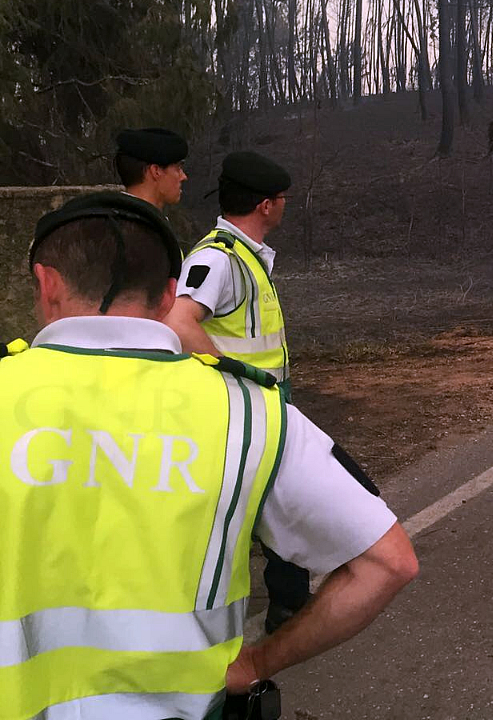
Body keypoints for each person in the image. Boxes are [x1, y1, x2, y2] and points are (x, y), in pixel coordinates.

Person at [6, 191, 417, 719]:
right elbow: (388, 562)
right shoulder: (250, 413)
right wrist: (260, 660)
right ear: (168, 294)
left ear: (45, 283)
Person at [163, 150, 309, 634]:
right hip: (240, 411)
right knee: (241, 510)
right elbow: (180, 322)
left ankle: (289, 603)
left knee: (278, 502)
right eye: (282, 198)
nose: (284, 205)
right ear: (266, 205)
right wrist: (231, 379)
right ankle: (221, 619)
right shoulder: (219, 257)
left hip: (264, 406)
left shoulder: (246, 256)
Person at [114, 127, 188, 210]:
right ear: (156, 171)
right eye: (178, 168)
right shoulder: (137, 218)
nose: (184, 177)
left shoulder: (113, 214)